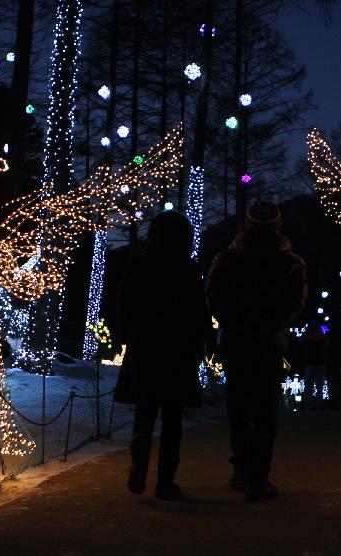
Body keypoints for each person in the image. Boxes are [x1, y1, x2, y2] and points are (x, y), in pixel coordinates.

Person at [206, 202, 307, 502]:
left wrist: (235, 323)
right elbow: (296, 302)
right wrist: (270, 326)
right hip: (269, 343)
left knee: (238, 408)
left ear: (247, 225)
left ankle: (240, 468)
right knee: (265, 410)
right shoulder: (291, 262)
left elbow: (213, 295)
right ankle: (259, 476)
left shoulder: (226, 259)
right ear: (278, 225)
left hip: (235, 342)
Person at [114, 211, 209, 500]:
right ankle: (165, 482)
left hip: (145, 346)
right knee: (172, 417)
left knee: (145, 410)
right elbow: (199, 311)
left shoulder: (139, 266)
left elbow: (125, 304)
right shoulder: (188, 269)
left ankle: (139, 460)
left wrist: (129, 334)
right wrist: (200, 341)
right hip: (177, 350)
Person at [302, 319, 329, 410]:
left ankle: (308, 406)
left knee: (308, 387)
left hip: (309, 364)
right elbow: (327, 347)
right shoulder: (322, 337)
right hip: (320, 364)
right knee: (319, 387)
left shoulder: (306, 336)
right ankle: (318, 406)